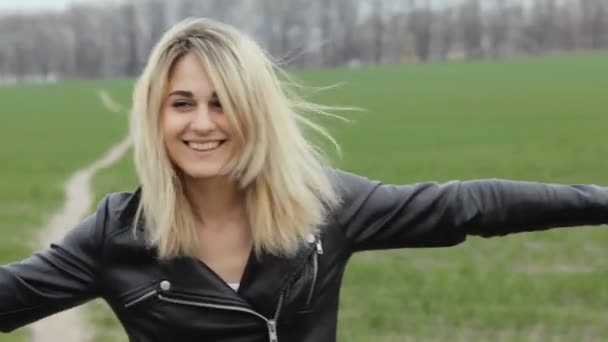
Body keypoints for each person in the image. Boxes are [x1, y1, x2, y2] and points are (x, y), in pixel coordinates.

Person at [1, 17, 607, 342]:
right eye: (182, 103)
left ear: (255, 110)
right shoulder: (119, 233)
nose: (203, 123)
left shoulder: (323, 204)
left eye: (223, 101)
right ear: (156, 116)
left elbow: (466, 207)